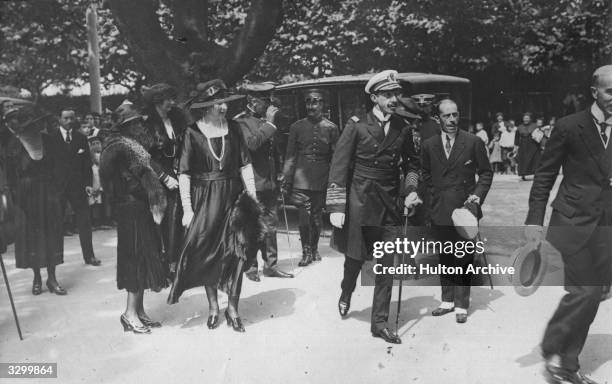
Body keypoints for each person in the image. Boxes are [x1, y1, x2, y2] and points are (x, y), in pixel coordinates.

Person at [524, 65, 612, 384]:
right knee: (586, 292)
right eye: (610, 91)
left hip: (607, 227)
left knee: (596, 294)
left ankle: (568, 365)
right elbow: (545, 175)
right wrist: (535, 220)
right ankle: (552, 350)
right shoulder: (569, 126)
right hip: (572, 223)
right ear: (594, 92)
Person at [327, 70, 421, 344]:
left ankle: (379, 323)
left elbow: (412, 164)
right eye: (387, 94)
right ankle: (347, 291)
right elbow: (339, 166)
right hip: (360, 199)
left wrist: (412, 190)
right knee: (355, 258)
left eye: (396, 94)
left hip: (390, 201)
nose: (393, 99)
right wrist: (336, 206)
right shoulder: (356, 125)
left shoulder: (403, 127)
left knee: (387, 264)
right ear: (374, 97)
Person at [168, 79, 266, 333]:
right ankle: (213, 307)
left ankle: (232, 309)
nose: (223, 107)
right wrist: (188, 209)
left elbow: (245, 164)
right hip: (204, 201)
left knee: (237, 254)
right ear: (206, 107)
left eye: (224, 102)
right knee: (206, 253)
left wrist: (252, 198)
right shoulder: (192, 133)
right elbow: (185, 174)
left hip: (233, 199)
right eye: (217, 103)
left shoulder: (233, 128)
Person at [421, 99, 493, 324]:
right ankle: (447, 300)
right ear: (438, 118)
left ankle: (462, 304)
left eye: (455, 115)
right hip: (440, 208)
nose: (452, 120)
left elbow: (486, 173)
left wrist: (477, 196)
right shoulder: (429, 144)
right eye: (446, 116)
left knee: (463, 256)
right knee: (444, 254)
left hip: (465, 209)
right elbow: (424, 173)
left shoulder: (473, 142)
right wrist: (433, 197)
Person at [100, 104, 169, 334]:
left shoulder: (133, 145)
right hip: (130, 207)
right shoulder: (120, 146)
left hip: (140, 207)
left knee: (144, 255)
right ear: (128, 126)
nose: (141, 125)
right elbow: (125, 180)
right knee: (135, 257)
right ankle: (129, 313)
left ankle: (138, 311)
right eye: (136, 123)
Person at [234, 83, 293, 281]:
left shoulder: (268, 121)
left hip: (268, 182)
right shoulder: (241, 123)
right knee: (252, 226)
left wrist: (279, 171)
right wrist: (269, 123)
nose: (270, 106)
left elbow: (275, 149)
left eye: (270, 101)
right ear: (252, 101)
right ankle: (250, 267)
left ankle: (271, 265)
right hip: (251, 183)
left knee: (272, 225)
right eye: (265, 101)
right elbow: (252, 144)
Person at [4, 105, 66, 295]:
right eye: (30, 125)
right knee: (32, 236)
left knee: (51, 233)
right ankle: (37, 277)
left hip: (48, 193)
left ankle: (52, 278)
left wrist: (57, 191)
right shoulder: (14, 145)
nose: (35, 128)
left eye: (36, 124)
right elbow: (10, 176)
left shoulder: (49, 141)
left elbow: (60, 167)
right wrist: (15, 200)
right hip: (26, 196)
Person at [281, 89, 339, 266]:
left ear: (322, 104)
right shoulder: (296, 127)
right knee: (303, 215)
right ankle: (306, 251)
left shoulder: (331, 128)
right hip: (301, 178)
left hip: (321, 178)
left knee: (316, 216)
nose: (311, 106)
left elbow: (336, 157)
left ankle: (314, 248)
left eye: (315, 102)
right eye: (308, 102)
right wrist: (286, 179)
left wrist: (334, 180)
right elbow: (290, 155)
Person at [142, 83, 187, 276]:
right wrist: (164, 177)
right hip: (156, 177)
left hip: (177, 173)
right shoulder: (146, 125)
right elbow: (144, 156)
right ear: (158, 102)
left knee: (176, 220)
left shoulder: (176, 118)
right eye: (169, 99)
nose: (172, 103)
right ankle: (166, 265)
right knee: (162, 222)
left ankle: (175, 261)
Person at [51, 108, 101, 266]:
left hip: (78, 187)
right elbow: (48, 165)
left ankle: (89, 256)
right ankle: (55, 259)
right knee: (56, 224)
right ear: (59, 119)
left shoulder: (80, 137)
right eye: (65, 118)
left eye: (71, 118)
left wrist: (87, 184)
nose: (69, 121)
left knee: (84, 222)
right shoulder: (51, 138)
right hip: (58, 187)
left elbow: (86, 163)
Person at [514, 112, 541, 181]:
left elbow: (539, 135)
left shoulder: (534, 125)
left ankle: (536, 174)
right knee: (523, 160)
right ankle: (523, 174)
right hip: (523, 145)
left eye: (527, 118)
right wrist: (516, 146)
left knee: (534, 159)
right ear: (523, 119)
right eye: (525, 118)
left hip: (533, 144)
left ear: (530, 119)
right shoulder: (520, 127)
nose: (526, 119)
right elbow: (516, 137)